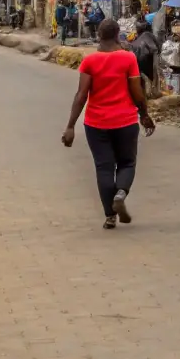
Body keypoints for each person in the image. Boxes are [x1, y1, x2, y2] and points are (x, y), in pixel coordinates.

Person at [61, 19, 155, 229]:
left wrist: (70, 126)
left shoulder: (89, 61)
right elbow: (136, 91)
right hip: (125, 121)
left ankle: (110, 216)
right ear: (117, 35)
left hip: (96, 123)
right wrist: (144, 114)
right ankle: (121, 193)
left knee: (104, 168)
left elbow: (81, 95)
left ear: (98, 35)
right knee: (127, 163)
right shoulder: (128, 58)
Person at [130, 17, 160, 97]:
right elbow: (156, 48)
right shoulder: (149, 35)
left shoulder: (137, 40)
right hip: (148, 58)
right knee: (152, 76)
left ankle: (148, 92)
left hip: (141, 61)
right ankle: (153, 91)